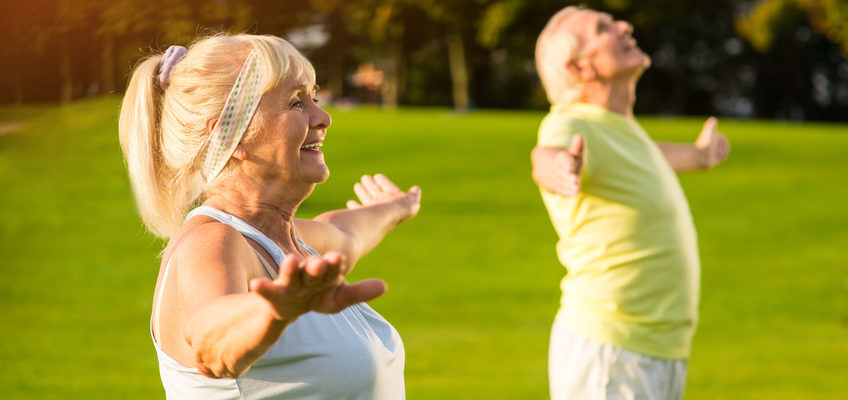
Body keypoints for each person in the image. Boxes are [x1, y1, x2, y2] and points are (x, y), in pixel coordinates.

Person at [118, 34, 421, 399]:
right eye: (296, 103)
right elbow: (210, 338)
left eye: (315, 98)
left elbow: (343, 232)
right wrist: (273, 311)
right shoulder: (212, 243)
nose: (323, 117)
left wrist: (395, 208)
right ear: (233, 136)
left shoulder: (285, 240)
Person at [532, 6, 730, 400]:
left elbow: (649, 158)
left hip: (657, 348)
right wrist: (557, 167)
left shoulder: (622, 132)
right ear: (578, 67)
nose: (624, 26)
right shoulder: (572, 122)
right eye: (602, 28)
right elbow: (547, 152)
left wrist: (699, 156)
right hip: (611, 348)